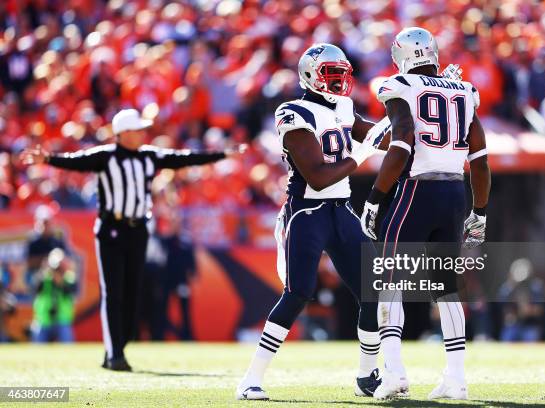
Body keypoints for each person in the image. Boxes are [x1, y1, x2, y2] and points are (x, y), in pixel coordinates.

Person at [20, 108, 245, 371]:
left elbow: (183, 159)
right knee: (113, 291)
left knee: (132, 291)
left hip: (138, 230)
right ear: (123, 133)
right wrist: (47, 159)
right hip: (111, 229)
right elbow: (76, 161)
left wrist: (221, 154)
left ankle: (118, 346)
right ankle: (114, 353)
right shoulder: (106, 157)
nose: (142, 133)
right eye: (137, 129)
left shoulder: (149, 156)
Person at [236, 43, 392, 400]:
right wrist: (362, 152)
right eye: (331, 74)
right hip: (307, 211)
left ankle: (367, 375)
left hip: (341, 209)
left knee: (373, 290)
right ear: (310, 75)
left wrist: (411, 110)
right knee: (298, 294)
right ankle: (250, 378)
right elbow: (319, 177)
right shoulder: (292, 112)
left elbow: (377, 135)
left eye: (342, 73)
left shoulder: (345, 107)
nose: (339, 81)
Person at [360, 27, 491, 400]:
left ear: (401, 56)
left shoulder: (397, 85)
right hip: (454, 193)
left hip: (418, 190)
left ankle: (395, 372)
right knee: (447, 289)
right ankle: (456, 377)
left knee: (388, 281)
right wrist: (479, 211)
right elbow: (480, 161)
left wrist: (374, 197)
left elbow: (401, 142)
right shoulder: (465, 91)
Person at [31, 248, 77, 343]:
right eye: (55, 267)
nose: (57, 270)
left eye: (60, 267)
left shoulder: (69, 279)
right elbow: (35, 288)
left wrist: (61, 282)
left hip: (62, 321)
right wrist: (44, 271)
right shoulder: (44, 279)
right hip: (44, 321)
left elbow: (70, 292)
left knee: (67, 345)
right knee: (38, 347)